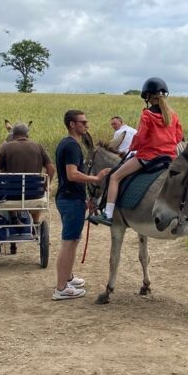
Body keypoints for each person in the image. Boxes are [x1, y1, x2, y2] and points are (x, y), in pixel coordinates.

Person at [88, 77, 183, 226]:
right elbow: (178, 137)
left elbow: (141, 137)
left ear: (147, 97)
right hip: (170, 158)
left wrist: (133, 147)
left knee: (114, 177)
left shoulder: (147, 114)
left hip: (149, 157)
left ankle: (108, 214)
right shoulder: (173, 115)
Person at [53, 110, 110, 300]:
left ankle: (67, 277)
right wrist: (96, 177)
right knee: (69, 243)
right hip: (70, 199)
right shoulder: (72, 146)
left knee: (73, 240)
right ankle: (61, 287)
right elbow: (72, 174)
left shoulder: (67, 143)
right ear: (72, 124)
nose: (87, 125)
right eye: (83, 122)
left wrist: (84, 199)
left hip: (70, 198)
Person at [0, 122, 56, 254]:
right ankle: (36, 222)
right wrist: (46, 184)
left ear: (13, 134)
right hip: (34, 193)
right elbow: (51, 168)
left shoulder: (6, 147)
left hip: (12, 194)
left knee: (9, 190)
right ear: (27, 134)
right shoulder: (38, 146)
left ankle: (14, 216)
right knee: (33, 195)